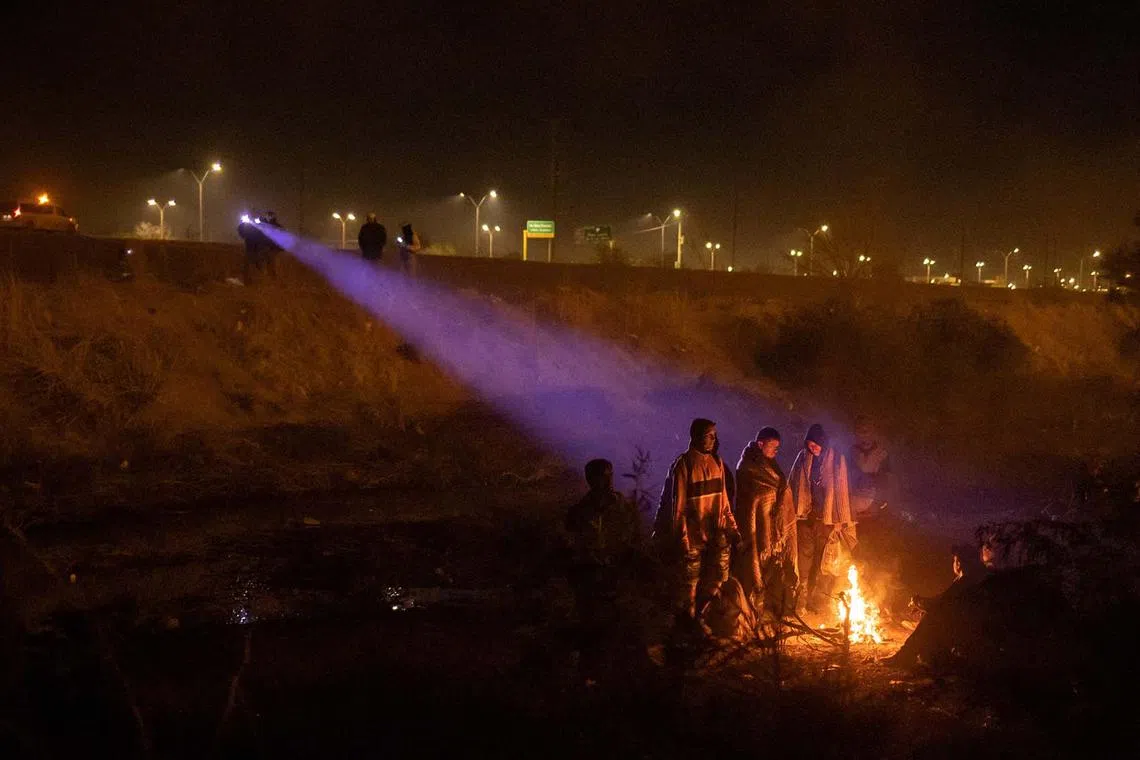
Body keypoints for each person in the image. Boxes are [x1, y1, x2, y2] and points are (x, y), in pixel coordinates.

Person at [655, 419, 741, 624]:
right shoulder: (683, 465)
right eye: (709, 435)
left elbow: (724, 502)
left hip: (716, 534)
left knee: (718, 578)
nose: (713, 439)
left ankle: (702, 619)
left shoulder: (717, 463)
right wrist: (682, 538)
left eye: (714, 435)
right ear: (696, 436)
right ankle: (689, 624)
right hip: (693, 536)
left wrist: (733, 528)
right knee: (689, 585)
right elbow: (678, 506)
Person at [565, 459, 642, 680]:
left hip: (615, 573)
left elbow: (632, 534)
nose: (608, 480)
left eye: (610, 475)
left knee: (616, 626)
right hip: (592, 576)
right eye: (602, 476)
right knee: (592, 627)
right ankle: (591, 674)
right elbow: (575, 541)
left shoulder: (620, 504)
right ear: (591, 480)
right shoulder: (581, 511)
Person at [788, 423, 854, 614]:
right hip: (806, 519)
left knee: (822, 562)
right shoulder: (803, 458)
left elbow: (841, 489)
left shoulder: (836, 460)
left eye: (815, 444)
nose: (812, 448)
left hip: (826, 521)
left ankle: (816, 601)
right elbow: (793, 483)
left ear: (823, 443)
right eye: (809, 444)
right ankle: (799, 600)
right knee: (803, 560)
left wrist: (840, 519)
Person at [733, 427, 798, 617]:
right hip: (756, 525)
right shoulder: (747, 467)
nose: (776, 451)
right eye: (773, 446)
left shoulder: (772, 466)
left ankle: (771, 606)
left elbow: (780, 487)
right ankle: (753, 608)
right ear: (760, 444)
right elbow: (751, 500)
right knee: (756, 562)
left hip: (772, 526)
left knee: (772, 565)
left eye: (778, 447)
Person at [848, 416, 892, 521]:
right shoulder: (851, 452)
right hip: (852, 507)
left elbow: (887, 481)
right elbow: (845, 478)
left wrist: (879, 503)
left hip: (873, 507)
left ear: (872, 432)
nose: (863, 435)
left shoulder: (882, 454)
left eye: (866, 431)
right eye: (859, 431)